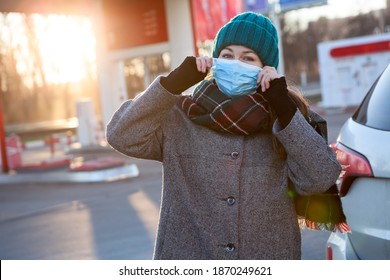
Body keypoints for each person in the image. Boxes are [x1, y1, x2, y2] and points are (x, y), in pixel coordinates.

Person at [106, 11, 342, 260]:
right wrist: (171, 85)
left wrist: (283, 107)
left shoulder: (285, 121)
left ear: (267, 69)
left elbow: (321, 176)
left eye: (248, 58)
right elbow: (121, 135)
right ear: (215, 61)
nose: (235, 64)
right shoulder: (179, 117)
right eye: (227, 55)